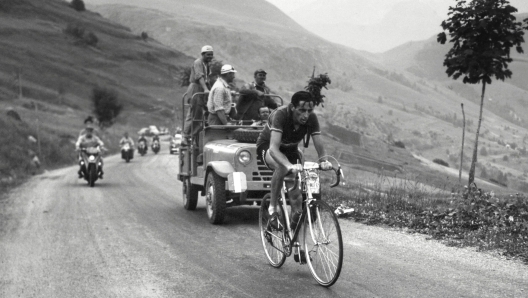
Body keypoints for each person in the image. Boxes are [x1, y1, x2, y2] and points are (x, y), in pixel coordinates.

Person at [256, 91, 332, 233]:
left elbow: (319, 143)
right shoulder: (281, 115)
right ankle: (272, 208)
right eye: (302, 110)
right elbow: (273, 148)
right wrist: (289, 165)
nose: (306, 115)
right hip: (268, 146)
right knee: (282, 167)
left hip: (290, 149)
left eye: (309, 111)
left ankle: (296, 245)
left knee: (297, 200)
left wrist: (324, 161)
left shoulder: (311, 118)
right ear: (292, 107)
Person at [182, 45, 214, 144]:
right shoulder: (198, 63)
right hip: (196, 88)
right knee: (194, 114)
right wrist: (205, 89)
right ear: (203, 54)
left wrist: (211, 90)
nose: (210, 57)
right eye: (208, 55)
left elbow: (207, 79)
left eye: (211, 55)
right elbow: (199, 76)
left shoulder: (207, 64)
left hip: (202, 89)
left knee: (201, 114)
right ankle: (186, 136)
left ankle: (193, 135)